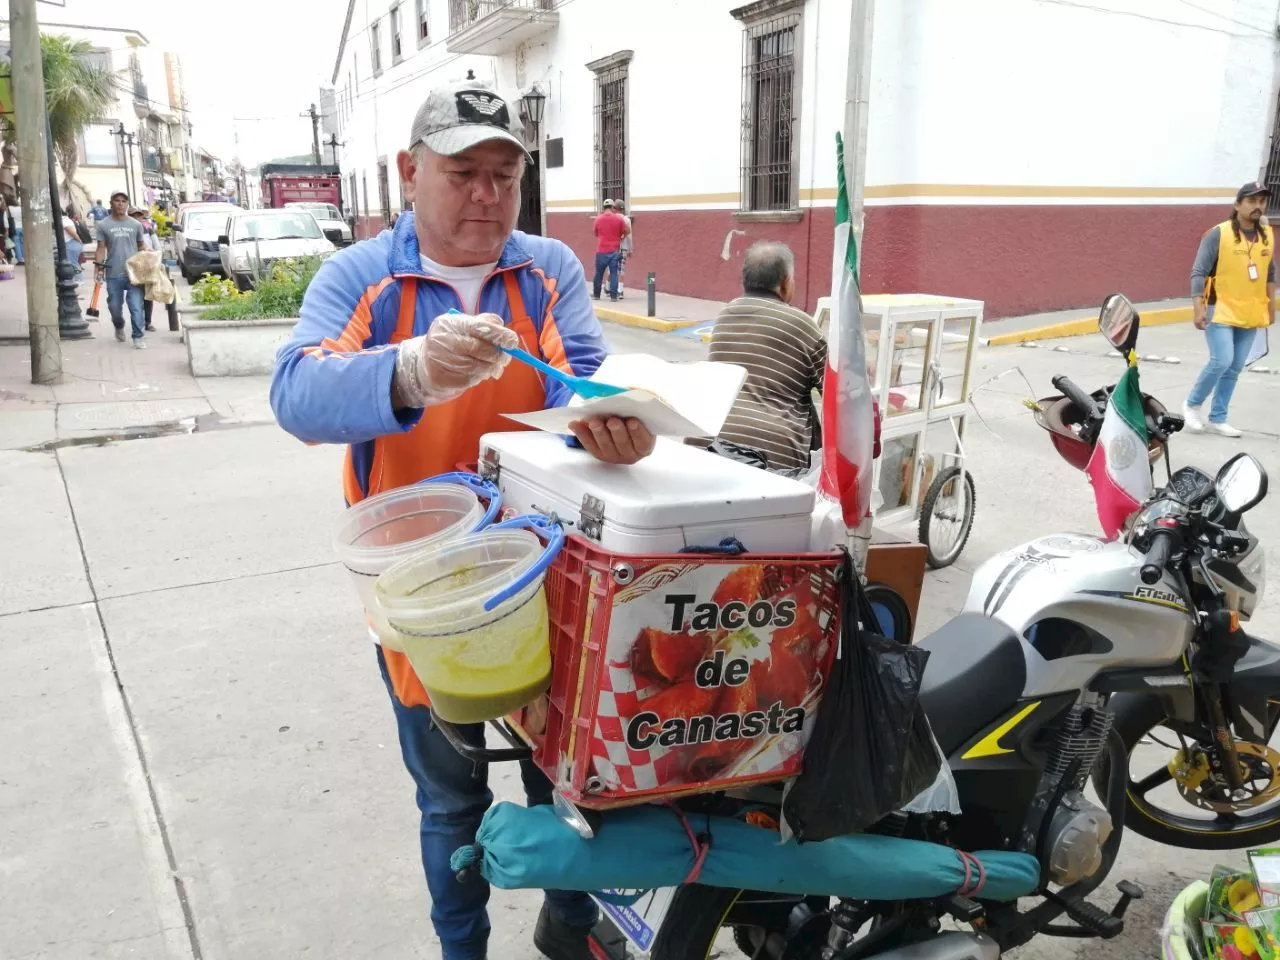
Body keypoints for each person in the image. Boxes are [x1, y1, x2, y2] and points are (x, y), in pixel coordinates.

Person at [270, 75, 656, 960]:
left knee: (567, 784)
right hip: (420, 589)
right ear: (410, 171)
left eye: (504, 175)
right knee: (451, 799)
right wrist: (408, 372)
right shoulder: (363, 276)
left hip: (543, 578)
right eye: (462, 172)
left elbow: (578, 380)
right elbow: (294, 393)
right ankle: (462, 949)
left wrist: (615, 428)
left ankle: (568, 929)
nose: (487, 194)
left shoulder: (547, 269)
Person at [707, 241, 826, 472]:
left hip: (710, 439)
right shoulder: (802, 324)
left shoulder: (725, 315)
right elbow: (835, 393)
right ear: (785, 282)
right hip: (773, 458)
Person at [1184, 181, 1278, 437]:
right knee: (1221, 360)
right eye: (1251, 201)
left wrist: (1272, 307)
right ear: (1237, 205)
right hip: (1219, 307)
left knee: (1235, 367)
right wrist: (1197, 307)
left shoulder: (1267, 234)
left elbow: (1270, 272)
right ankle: (1192, 405)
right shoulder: (1219, 233)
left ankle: (1219, 417)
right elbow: (1198, 271)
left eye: (1261, 201)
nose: (1258, 206)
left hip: (1250, 310)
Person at [94, 192, 148, 348]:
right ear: (111, 203)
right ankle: (119, 325)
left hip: (134, 274)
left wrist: (149, 253)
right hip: (113, 273)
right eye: (117, 201)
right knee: (114, 307)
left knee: (136, 306)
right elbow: (101, 248)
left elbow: (141, 245)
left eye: (124, 201)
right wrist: (98, 270)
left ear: (127, 204)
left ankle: (138, 336)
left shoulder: (136, 225)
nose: (120, 204)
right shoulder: (103, 225)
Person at [130, 207, 161, 332]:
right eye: (134, 216)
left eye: (139, 216)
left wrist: (157, 258)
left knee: (148, 295)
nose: (137, 218)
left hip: (148, 264)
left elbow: (156, 245)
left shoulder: (148, 228)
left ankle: (147, 322)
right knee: (136, 295)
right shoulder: (129, 230)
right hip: (134, 264)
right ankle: (139, 321)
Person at [591, 198, 628, 301]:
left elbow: (595, 233)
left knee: (599, 273)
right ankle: (613, 296)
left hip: (601, 250)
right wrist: (620, 237)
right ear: (612, 207)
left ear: (603, 207)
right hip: (614, 251)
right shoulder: (619, 219)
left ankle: (597, 295)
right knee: (614, 273)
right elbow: (626, 231)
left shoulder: (598, 219)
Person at [614, 199, 632, 298]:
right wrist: (630, 249)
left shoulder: (612, 219)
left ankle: (608, 287)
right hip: (624, 247)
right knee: (622, 269)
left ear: (614, 208)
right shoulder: (627, 220)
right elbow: (629, 236)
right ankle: (620, 291)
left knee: (612, 268)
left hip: (613, 248)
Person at [60, 207, 84, 279]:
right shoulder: (65, 220)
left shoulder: (64, 221)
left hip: (71, 243)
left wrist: (79, 241)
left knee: (73, 263)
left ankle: (78, 279)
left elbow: (72, 233)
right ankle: (78, 279)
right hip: (72, 243)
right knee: (74, 263)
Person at [8, 200, 23, 264]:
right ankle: (24, 258)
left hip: (14, 227)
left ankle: (20, 260)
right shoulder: (21, 208)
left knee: (17, 244)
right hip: (22, 227)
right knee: (22, 244)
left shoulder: (10, 208)